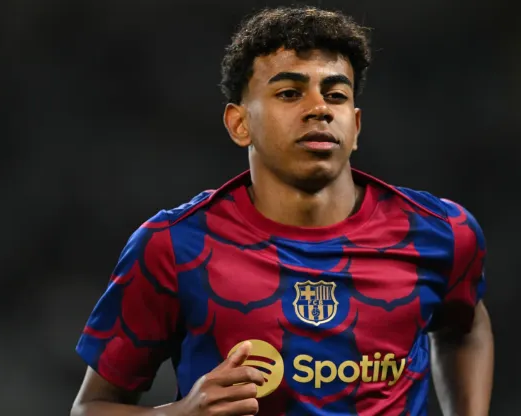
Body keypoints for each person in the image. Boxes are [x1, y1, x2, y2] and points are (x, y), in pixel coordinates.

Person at [70, 5, 494, 416]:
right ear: (240, 124)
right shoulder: (174, 247)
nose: (319, 108)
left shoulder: (440, 234)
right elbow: (90, 408)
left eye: (336, 95)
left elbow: (465, 326)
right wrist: (180, 414)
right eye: (290, 93)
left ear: (356, 125)